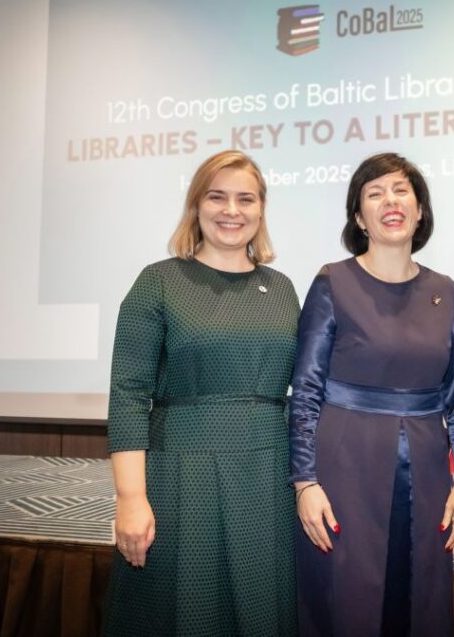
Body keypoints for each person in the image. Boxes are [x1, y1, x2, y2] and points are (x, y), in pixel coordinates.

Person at [103, 150, 300, 636]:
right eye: (217, 197)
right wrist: (130, 498)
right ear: (196, 205)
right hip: (181, 475)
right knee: (185, 611)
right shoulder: (158, 282)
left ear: (261, 209)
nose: (232, 210)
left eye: (245, 199)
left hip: (269, 477)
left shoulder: (282, 289)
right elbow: (128, 394)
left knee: (263, 610)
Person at [289, 153, 454, 637]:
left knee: (420, 603)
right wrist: (305, 483)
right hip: (342, 471)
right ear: (358, 217)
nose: (390, 202)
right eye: (375, 193)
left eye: (400, 191)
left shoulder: (447, 291)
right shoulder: (332, 282)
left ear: (419, 210)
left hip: (429, 475)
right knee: (346, 604)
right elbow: (305, 391)